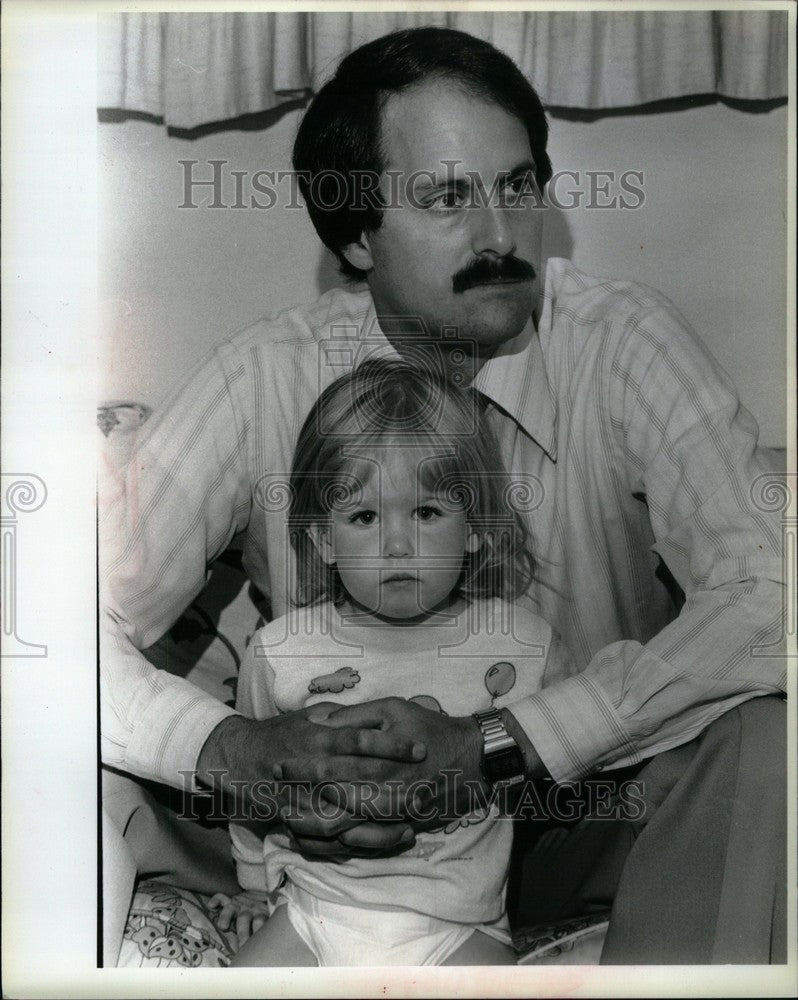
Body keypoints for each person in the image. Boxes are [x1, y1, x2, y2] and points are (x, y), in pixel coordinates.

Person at [101, 26, 787, 962]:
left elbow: (774, 592)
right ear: (355, 234)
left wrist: (502, 745)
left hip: (572, 810)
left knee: (768, 739)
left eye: (517, 186)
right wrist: (235, 756)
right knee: (69, 745)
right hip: (310, 837)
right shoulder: (266, 373)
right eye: (449, 197)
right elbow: (51, 621)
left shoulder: (621, 341)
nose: (503, 236)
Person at [209, 359, 575, 967]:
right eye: (364, 517)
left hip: (462, 926)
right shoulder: (279, 650)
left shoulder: (527, 646)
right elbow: (250, 790)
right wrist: (254, 887)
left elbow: (567, 764)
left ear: (475, 527)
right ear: (324, 538)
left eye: (427, 513)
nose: (397, 545)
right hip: (311, 912)